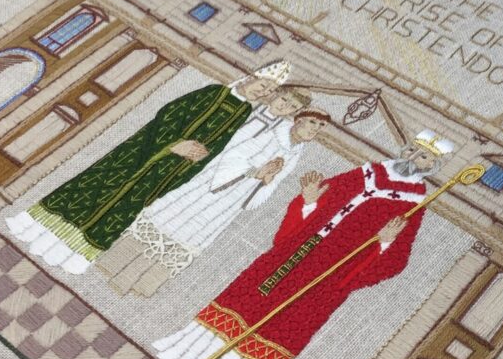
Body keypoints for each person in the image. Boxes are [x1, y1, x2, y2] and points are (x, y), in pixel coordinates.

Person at [153, 130, 455, 359]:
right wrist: (310, 200)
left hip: (328, 275)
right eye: (413, 150)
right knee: (249, 296)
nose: (413, 158)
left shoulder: (413, 203)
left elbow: (396, 261)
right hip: (295, 251)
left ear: (432, 167)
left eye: (424, 157)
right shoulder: (367, 173)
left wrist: (385, 242)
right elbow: (321, 198)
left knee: (286, 322)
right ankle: (191, 354)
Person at [6, 61, 290, 274]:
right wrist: (174, 144)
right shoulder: (214, 92)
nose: (263, 91)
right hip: (145, 151)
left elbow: (218, 143)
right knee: (96, 186)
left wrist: (197, 158)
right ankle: (32, 230)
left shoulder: (243, 111)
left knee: (125, 207)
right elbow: (170, 114)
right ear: (252, 77)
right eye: (263, 84)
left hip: (169, 169)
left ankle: (71, 255)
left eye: (268, 91)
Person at [100, 102, 332, 297]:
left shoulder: (295, 154)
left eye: (321, 126)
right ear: (298, 120)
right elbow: (233, 154)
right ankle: (112, 268)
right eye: (313, 122)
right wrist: (254, 172)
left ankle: (142, 287)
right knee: (168, 220)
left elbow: (271, 185)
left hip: (229, 204)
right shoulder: (271, 133)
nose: (315, 129)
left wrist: (266, 181)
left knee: (191, 237)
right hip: (208, 188)